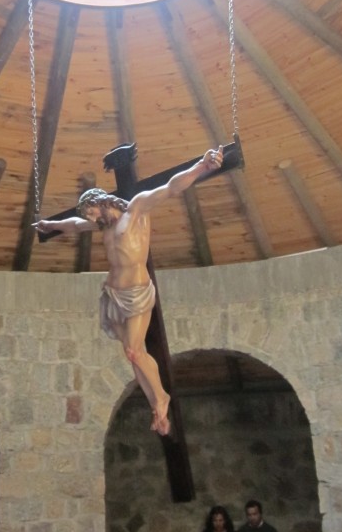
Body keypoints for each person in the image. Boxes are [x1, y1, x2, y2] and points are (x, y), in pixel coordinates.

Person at [34, 147, 224, 435]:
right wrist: (50, 225)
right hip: (113, 294)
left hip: (136, 292)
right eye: (89, 216)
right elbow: (73, 225)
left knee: (135, 351)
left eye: (92, 212)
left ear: (101, 201)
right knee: (131, 352)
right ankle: (156, 404)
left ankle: (162, 397)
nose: (93, 220)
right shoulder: (103, 224)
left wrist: (202, 167)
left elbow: (171, 188)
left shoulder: (136, 208)